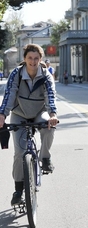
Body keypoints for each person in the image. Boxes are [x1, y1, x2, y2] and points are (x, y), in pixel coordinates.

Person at [0, 43, 58, 206]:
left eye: (36, 58)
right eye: (30, 58)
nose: (33, 62)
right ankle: (18, 189)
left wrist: (53, 114)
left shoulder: (46, 75)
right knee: (19, 153)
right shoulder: (16, 74)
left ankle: (45, 157)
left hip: (39, 112)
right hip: (19, 115)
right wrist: (2, 114)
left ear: (40, 59)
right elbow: (9, 94)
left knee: (49, 125)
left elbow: (51, 95)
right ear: (24, 59)